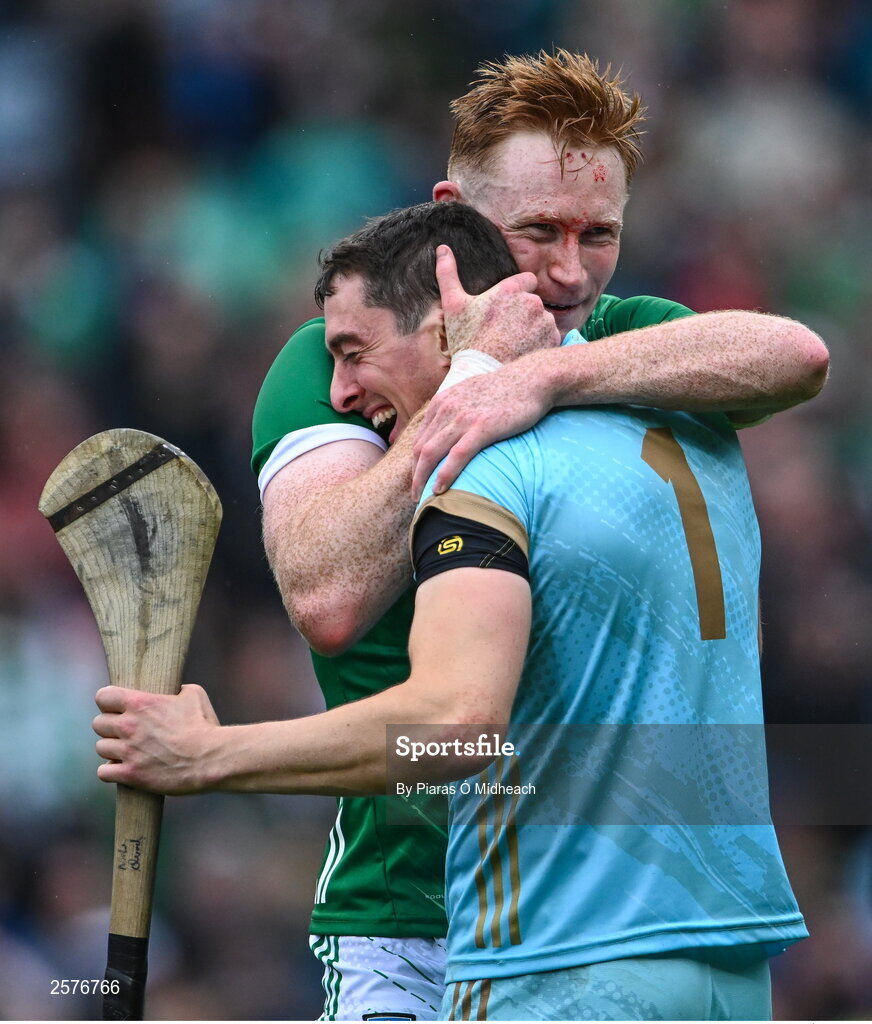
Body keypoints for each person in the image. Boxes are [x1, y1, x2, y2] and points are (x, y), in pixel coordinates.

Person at [94, 200, 809, 1020]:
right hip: (730, 958)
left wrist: (207, 755)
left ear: (448, 312)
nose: (337, 389)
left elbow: (458, 725)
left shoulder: (485, 470)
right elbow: (792, 354)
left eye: (353, 352)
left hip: (564, 960)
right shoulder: (695, 426)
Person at [245, 49, 827, 1020]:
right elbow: (328, 592)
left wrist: (544, 375)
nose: (566, 272)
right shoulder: (341, 353)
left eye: (596, 234)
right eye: (535, 232)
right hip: (407, 906)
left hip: (590, 910)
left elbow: (790, 352)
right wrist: (469, 383)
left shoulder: (623, 335)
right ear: (453, 215)